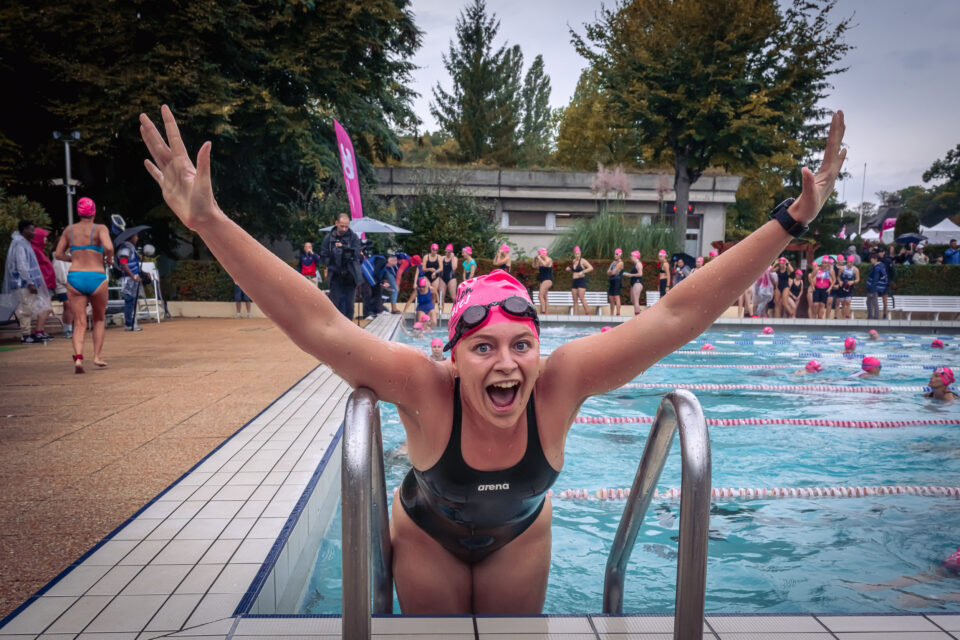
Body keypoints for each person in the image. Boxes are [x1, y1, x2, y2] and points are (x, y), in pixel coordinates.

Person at [139, 104, 846, 614]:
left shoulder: (561, 385)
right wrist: (210, 222)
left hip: (518, 537)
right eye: (483, 347)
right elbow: (316, 322)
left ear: (540, 352)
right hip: (425, 534)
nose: (505, 364)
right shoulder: (424, 387)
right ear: (454, 356)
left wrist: (791, 220)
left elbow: (678, 312)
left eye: (520, 345)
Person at [53, 199, 113, 372]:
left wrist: (75, 258)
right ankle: (97, 357)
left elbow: (58, 254)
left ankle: (78, 359)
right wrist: (108, 259)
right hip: (96, 276)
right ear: (93, 212)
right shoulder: (100, 228)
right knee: (99, 319)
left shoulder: (69, 230)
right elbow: (108, 247)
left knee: (79, 322)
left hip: (75, 277)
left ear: (79, 213)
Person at [4, 220, 53, 344]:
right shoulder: (20, 245)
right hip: (22, 283)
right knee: (26, 309)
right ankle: (25, 335)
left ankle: (27, 333)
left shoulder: (24, 243)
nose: (34, 232)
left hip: (25, 282)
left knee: (29, 308)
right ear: (24, 230)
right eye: (31, 229)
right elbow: (22, 265)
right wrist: (30, 282)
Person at [320, 212, 363, 320]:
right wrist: (332, 255)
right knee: (336, 303)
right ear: (336, 223)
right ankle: (337, 327)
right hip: (335, 275)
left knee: (349, 305)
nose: (344, 229)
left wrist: (344, 248)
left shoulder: (353, 237)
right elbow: (323, 256)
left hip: (350, 275)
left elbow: (358, 253)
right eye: (342, 226)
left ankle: (348, 329)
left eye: (346, 226)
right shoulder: (328, 239)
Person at [29, 227, 56, 340]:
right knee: (45, 308)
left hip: (46, 283)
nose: (46, 239)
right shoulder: (35, 250)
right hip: (42, 283)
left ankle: (40, 331)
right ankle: (38, 331)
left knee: (46, 308)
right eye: (44, 237)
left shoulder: (38, 250)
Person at [116, 231, 144, 331]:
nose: (137, 238)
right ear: (131, 236)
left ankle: (132, 322)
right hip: (129, 279)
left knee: (133, 301)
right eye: (136, 236)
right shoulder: (125, 248)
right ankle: (129, 323)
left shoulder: (130, 248)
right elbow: (123, 263)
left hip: (132, 277)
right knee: (130, 301)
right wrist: (132, 276)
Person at [565, 245, 593, 315]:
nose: (577, 255)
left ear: (580, 253)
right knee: (575, 300)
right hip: (574, 282)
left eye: (578, 254)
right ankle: (575, 315)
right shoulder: (574, 261)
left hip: (581, 281)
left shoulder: (583, 260)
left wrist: (583, 272)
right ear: (574, 254)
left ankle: (587, 313)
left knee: (581, 297)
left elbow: (591, 268)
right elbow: (574, 270)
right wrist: (569, 269)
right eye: (576, 254)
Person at [53, 254, 73, 337]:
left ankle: (67, 328)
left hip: (71, 285)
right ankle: (68, 330)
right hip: (63, 286)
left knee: (68, 307)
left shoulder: (71, 255)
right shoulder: (58, 256)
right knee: (69, 306)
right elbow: (60, 275)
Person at [864, 251, 888, 321]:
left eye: (871, 259)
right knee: (870, 302)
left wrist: (872, 290)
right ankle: (872, 316)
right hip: (873, 288)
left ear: (875, 259)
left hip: (873, 288)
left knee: (873, 302)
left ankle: (874, 317)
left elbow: (875, 279)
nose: (870, 260)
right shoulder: (878, 267)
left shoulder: (877, 268)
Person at [836, 254, 859, 319]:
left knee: (848, 302)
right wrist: (840, 281)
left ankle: (847, 316)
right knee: (843, 303)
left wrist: (853, 282)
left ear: (853, 262)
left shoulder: (855, 270)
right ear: (847, 262)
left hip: (850, 288)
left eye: (851, 262)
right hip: (842, 287)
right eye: (849, 262)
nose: (850, 264)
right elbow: (838, 276)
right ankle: (843, 317)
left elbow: (858, 279)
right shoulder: (842, 268)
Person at [533, 248, 553, 314]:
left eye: (541, 255)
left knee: (540, 296)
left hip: (547, 280)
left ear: (544, 254)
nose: (540, 256)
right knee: (544, 297)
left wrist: (540, 258)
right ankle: (546, 312)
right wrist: (535, 259)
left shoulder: (549, 259)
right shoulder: (541, 261)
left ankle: (543, 311)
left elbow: (545, 264)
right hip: (542, 280)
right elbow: (534, 266)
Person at [606, 248, 624, 315]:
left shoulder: (621, 263)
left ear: (620, 255)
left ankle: (618, 313)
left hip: (617, 281)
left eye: (616, 254)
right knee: (611, 297)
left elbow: (613, 272)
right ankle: (611, 313)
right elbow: (607, 272)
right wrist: (611, 272)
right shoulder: (613, 262)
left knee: (616, 297)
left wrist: (611, 272)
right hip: (612, 280)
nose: (615, 255)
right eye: (614, 254)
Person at [627, 250, 644, 315]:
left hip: (637, 283)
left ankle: (637, 316)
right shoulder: (635, 264)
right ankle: (638, 311)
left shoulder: (639, 264)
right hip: (633, 283)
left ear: (635, 256)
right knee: (632, 300)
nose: (631, 257)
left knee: (636, 301)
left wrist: (631, 275)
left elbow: (640, 274)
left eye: (631, 256)